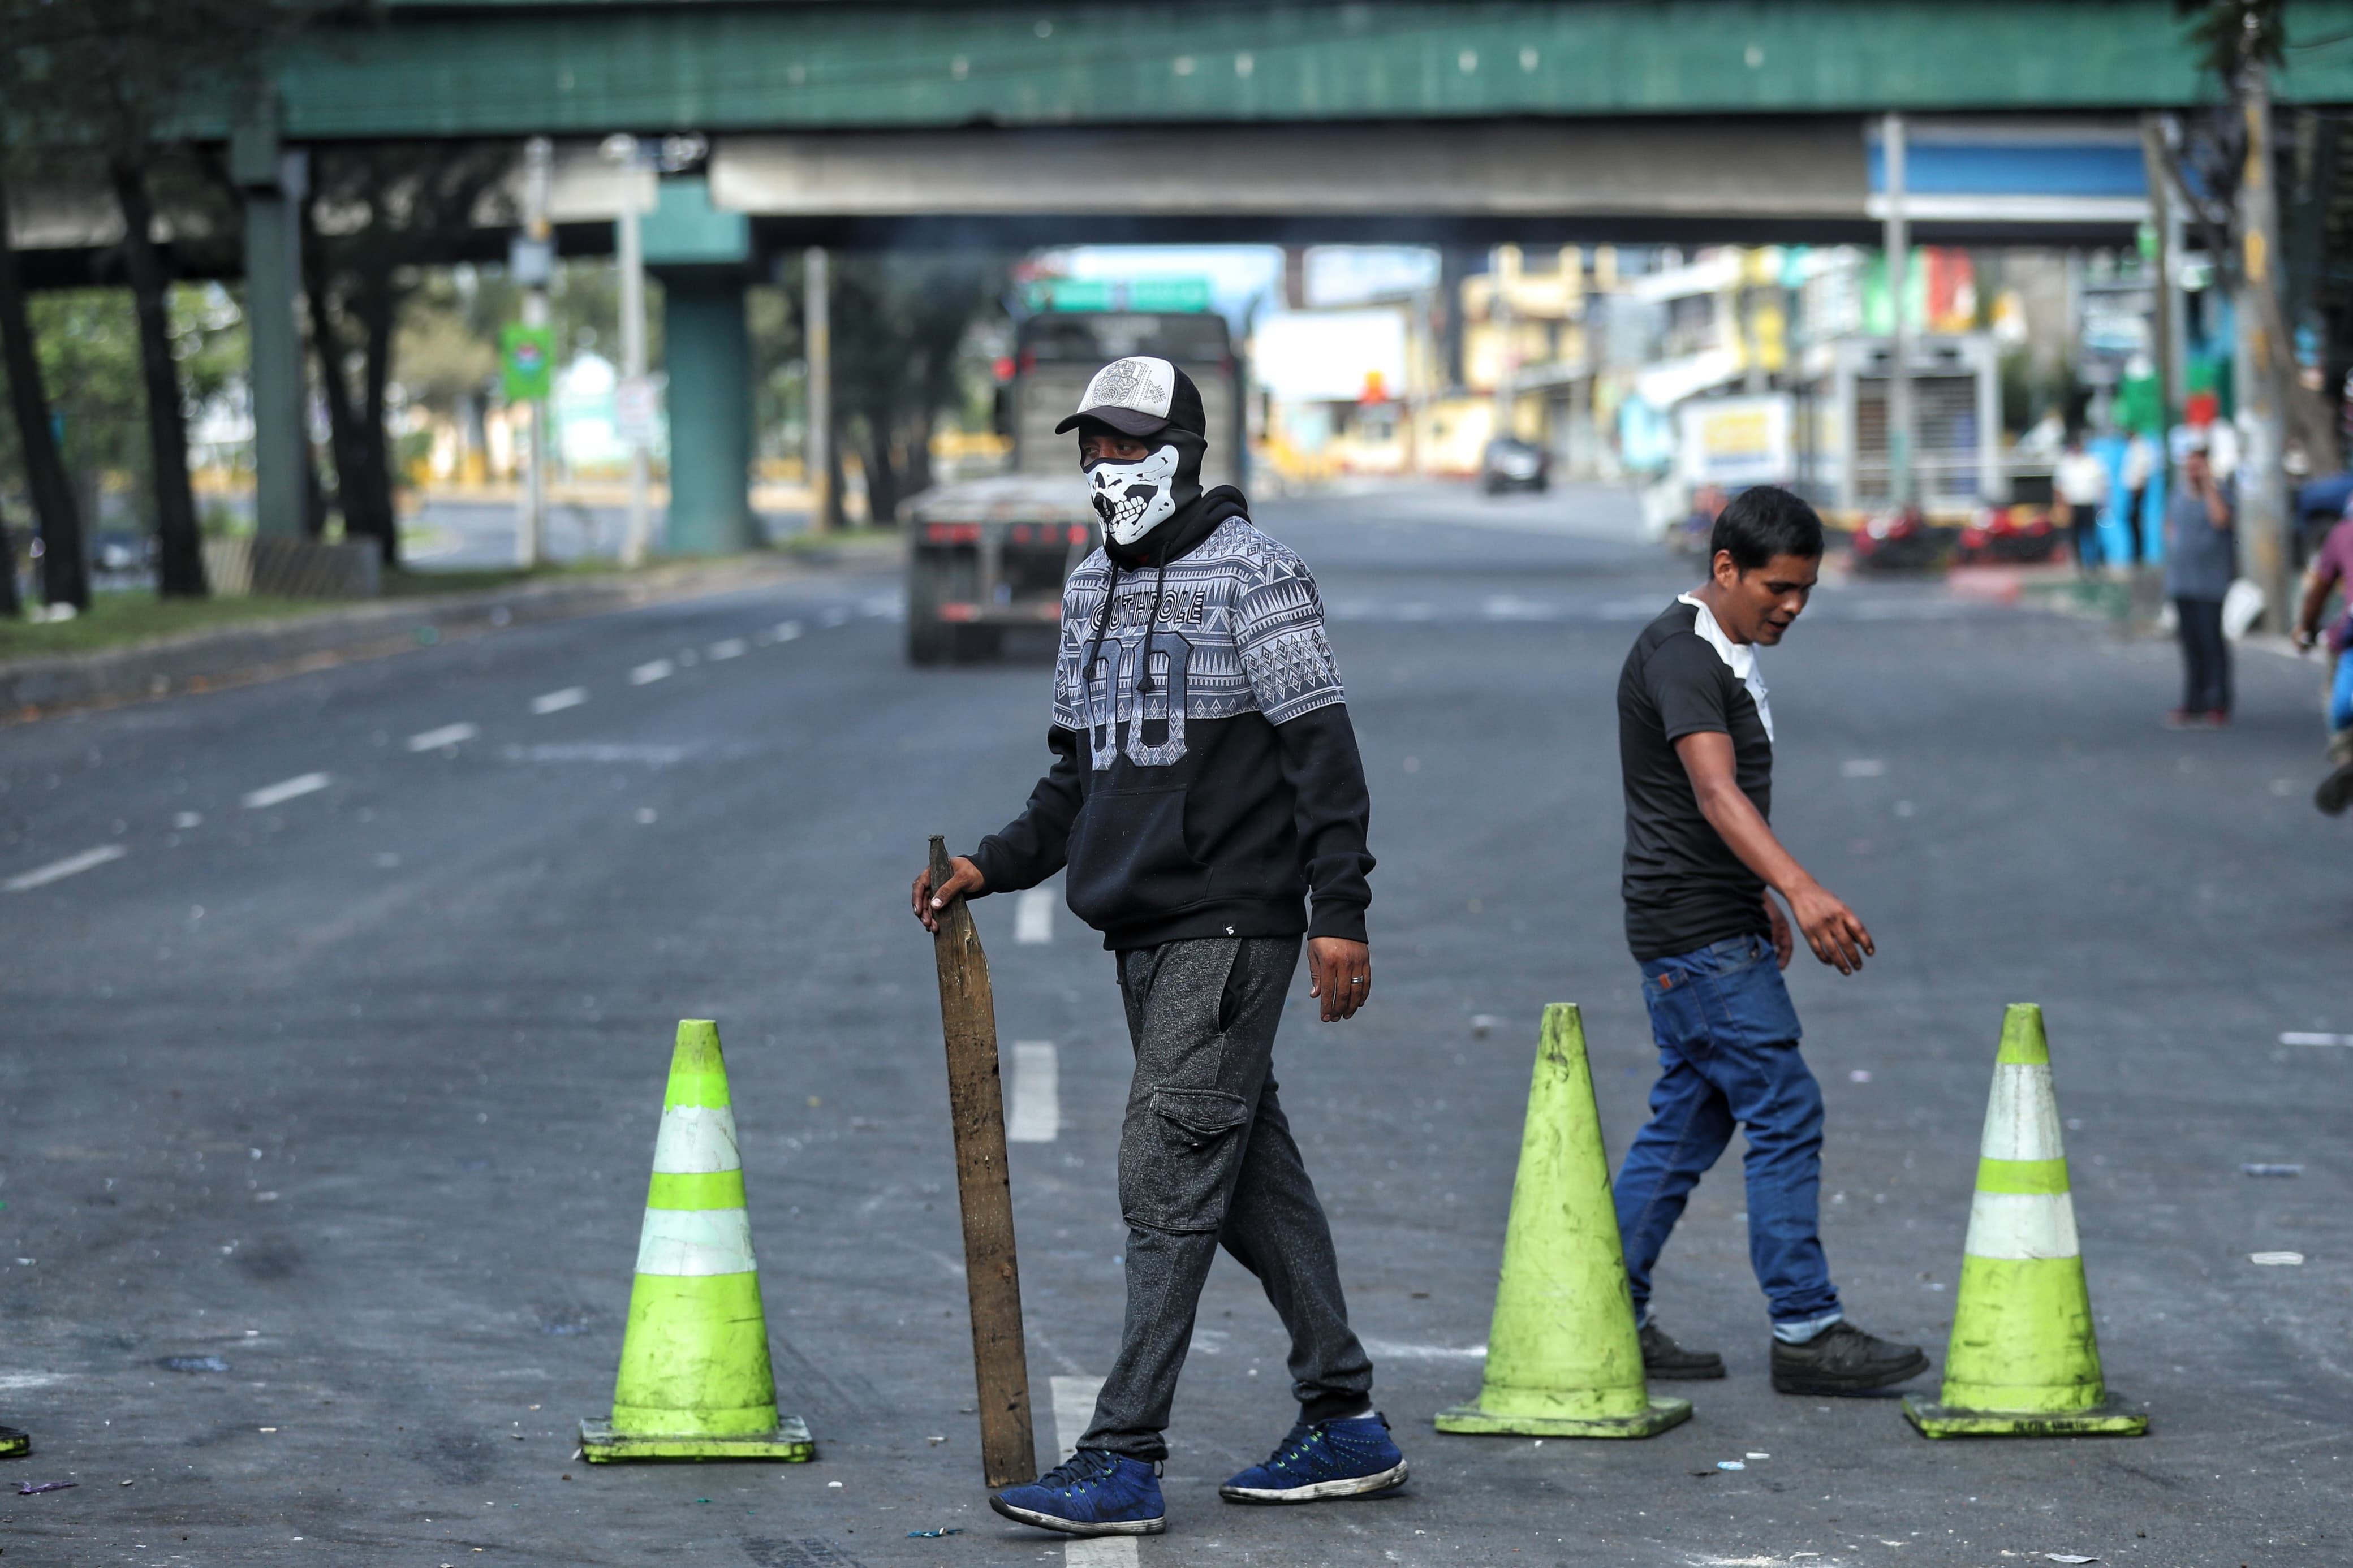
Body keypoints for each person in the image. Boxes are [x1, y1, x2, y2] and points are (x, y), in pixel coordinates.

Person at [911, 356, 1400, 1539]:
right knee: (1241, 1178)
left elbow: (1321, 753)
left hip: (1232, 920)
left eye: (1126, 446)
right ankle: (1346, 1419)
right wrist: (992, 861)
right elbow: (1077, 779)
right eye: (1092, 445)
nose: (1103, 466)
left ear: (1179, 448)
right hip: (1140, 928)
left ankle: (1122, 1453)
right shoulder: (1089, 588)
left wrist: (1341, 910)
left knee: (1166, 1173)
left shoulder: (1257, 574)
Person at [1609, 485, 1930, 1397]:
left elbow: (1701, 806)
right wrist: (1802, 889)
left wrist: (1761, 894)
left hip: (1708, 919)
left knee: (1689, 1120)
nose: (1791, 606)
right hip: (1694, 930)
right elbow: (1713, 793)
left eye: (1805, 591)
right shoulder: (1682, 657)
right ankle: (1806, 1325)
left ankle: (1607, 1309)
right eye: (1777, 588)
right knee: (1785, 1107)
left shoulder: (1721, 647)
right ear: (1725, 569)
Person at [2164, 442, 2236, 729]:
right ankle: (2194, 701)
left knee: (2211, 642)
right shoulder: (2177, 493)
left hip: (2211, 583)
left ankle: (2218, 701)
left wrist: (2208, 485)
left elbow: (2221, 520)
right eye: (2189, 464)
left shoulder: (2220, 493)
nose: (2192, 470)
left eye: (2198, 464)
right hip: (2182, 582)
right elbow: (2169, 523)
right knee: (2190, 644)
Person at [2291, 502, 2353, 812]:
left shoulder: (2343, 534)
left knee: (2338, 701)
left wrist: (2306, 630)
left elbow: (2318, 592)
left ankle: (2345, 754)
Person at [2054, 434, 2110, 574]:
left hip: (2088, 503)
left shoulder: (2092, 461)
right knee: (2074, 536)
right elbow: (2059, 487)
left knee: (2091, 534)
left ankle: (2093, 564)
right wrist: (2061, 506)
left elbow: (2102, 484)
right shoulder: (2066, 463)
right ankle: (2078, 565)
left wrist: (2104, 503)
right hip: (2073, 504)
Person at [2119, 428, 2158, 566]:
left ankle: (2139, 553)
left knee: (2136, 520)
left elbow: (2143, 468)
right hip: (2134, 489)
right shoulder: (2133, 447)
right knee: (2132, 520)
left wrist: (2139, 485)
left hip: (2138, 489)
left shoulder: (2140, 447)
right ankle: (2136, 552)